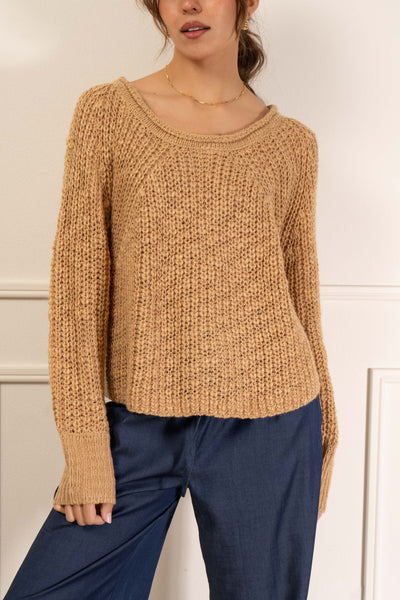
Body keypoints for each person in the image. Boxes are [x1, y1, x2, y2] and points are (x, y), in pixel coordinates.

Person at [4, 0, 339, 598]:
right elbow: (78, 289)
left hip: (270, 427)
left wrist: (325, 435)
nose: (189, 4)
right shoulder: (108, 114)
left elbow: (299, 293)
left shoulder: (292, 144)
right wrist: (84, 446)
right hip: (138, 424)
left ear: (246, 4)